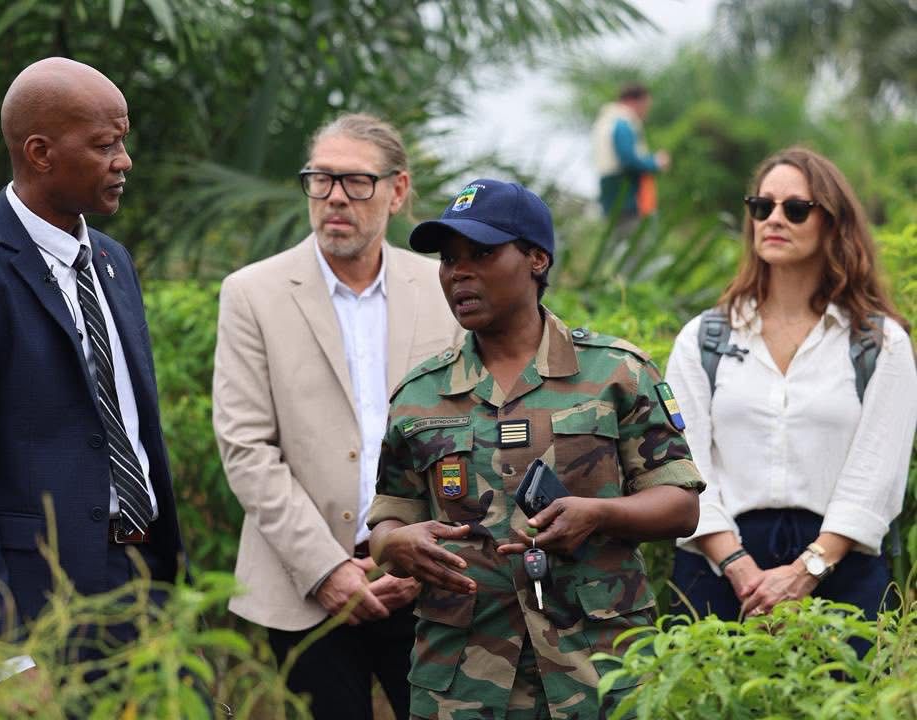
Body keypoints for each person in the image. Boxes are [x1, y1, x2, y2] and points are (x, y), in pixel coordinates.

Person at [367, 178, 704, 719]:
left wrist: (598, 514)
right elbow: (387, 520)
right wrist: (396, 545)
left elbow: (681, 506)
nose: (459, 273)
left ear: (537, 259)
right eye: (449, 259)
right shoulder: (419, 396)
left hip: (599, 670)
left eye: (481, 253)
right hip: (462, 682)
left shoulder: (615, 372)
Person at [0, 58, 185, 677]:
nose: (124, 161)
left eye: (124, 142)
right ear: (40, 153)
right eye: (106, 144)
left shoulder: (112, 261)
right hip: (41, 599)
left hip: (142, 579)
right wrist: (0, 652)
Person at [212, 113, 462, 720]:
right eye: (320, 181)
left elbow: (471, 430)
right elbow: (246, 446)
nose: (334, 200)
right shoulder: (253, 293)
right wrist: (325, 569)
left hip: (426, 579)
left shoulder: (442, 286)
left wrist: (416, 554)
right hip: (304, 585)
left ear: (397, 191)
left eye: (356, 183)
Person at [666, 146, 916, 622]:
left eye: (795, 209)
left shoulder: (880, 343)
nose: (774, 219)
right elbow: (683, 466)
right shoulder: (703, 339)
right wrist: (739, 567)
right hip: (717, 572)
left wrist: (806, 569)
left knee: (840, 697)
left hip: (841, 571)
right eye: (762, 207)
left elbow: (876, 478)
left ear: (832, 224)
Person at [590, 83, 670, 221]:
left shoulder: (606, 121)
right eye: (645, 105)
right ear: (633, 102)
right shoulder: (622, 124)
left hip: (611, 196)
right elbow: (629, 160)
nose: (646, 111)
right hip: (626, 197)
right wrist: (656, 162)